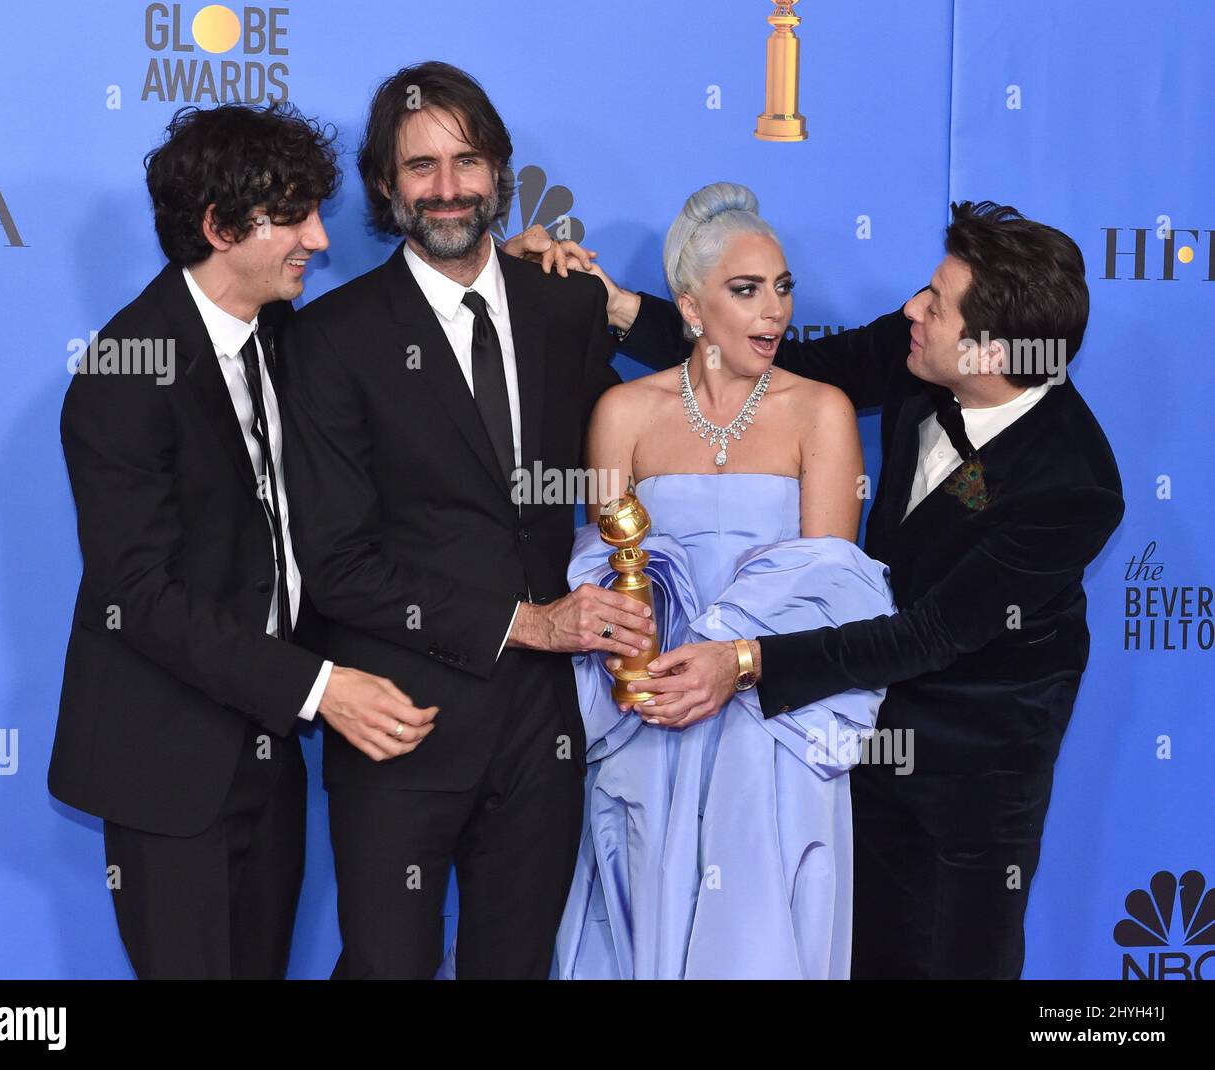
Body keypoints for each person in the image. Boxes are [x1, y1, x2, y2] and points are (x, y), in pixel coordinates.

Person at [572, 199, 1125, 979]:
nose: (911, 308)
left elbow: (928, 634)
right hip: (846, 727)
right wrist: (622, 307)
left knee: (952, 960)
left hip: (973, 765)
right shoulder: (918, 355)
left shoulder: (1075, 484)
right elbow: (764, 360)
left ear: (987, 352)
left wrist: (743, 660)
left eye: (935, 303)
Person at [279, 61, 650, 980]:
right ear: (383, 185)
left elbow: (706, 373)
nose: (447, 189)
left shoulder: (565, 305)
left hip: (543, 730)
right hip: (401, 719)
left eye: (468, 161)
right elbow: (338, 563)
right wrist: (531, 623)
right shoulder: (329, 339)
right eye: (420, 167)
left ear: (500, 172)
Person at [48, 102, 435, 980]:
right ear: (220, 227)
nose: (320, 241)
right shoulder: (123, 373)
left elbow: (404, 332)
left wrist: (520, 271)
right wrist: (322, 688)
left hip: (270, 754)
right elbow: (137, 595)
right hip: (168, 766)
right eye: (294, 218)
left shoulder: (285, 337)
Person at [552, 183, 895, 979]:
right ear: (692, 308)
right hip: (652, 725)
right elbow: (609, 580)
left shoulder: (823, 412)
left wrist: (725, 663)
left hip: (769, 726)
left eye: (781, 288)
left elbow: (828, 590)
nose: (772, 311)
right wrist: (640, 664)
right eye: (746, 290)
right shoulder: (623, 415)